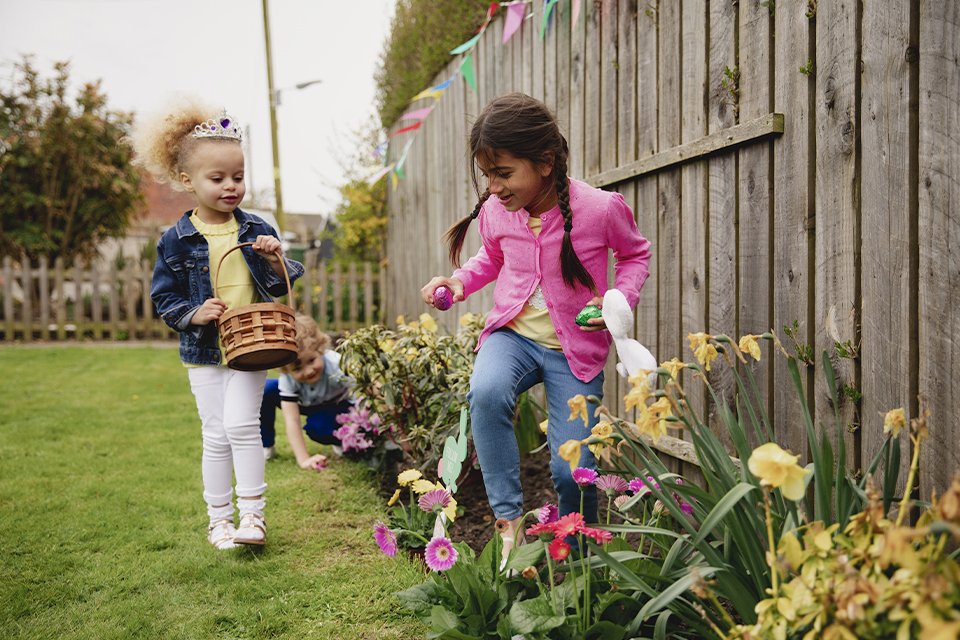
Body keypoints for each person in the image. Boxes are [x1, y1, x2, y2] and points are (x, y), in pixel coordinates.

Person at [420, 93, 651, 563]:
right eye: (487, 174)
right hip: (513, 336)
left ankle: (580, 546)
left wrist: (617, 302)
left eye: (503, 173)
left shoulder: (600, 209)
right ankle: (510, 525)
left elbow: (634, 255)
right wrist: (459, 281)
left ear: (545, 162)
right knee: (486, 392)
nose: (494, 186)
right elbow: (493, 257)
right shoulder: (495, 211)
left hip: (577, 350)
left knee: (573, 470)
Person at [132, 100, 304, 550]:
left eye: (238, 177)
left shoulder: (255, 227)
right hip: (206, 352)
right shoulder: (175, 239)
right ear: (187, 181)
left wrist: (273, 256)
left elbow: (281, 282)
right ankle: (219, 520)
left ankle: (253, 515)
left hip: (254, 343)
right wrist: (193, 313)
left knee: (242, 426)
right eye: (218, 178)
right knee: (214, 433)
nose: (231, 186)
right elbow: (163, 297)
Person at [260, 314, 354, 469]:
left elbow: (363, 397)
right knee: (266, 389)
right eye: (297, 368)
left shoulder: (337, 365)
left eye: (311, 361)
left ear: (320, 349)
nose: (308, 371)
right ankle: (266, 446)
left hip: (337, 406)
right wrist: (303, 460)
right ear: (285, 369)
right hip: (307, 402)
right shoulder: (287, 378)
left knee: (317, 426)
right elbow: (292, 419)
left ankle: (341, 439)